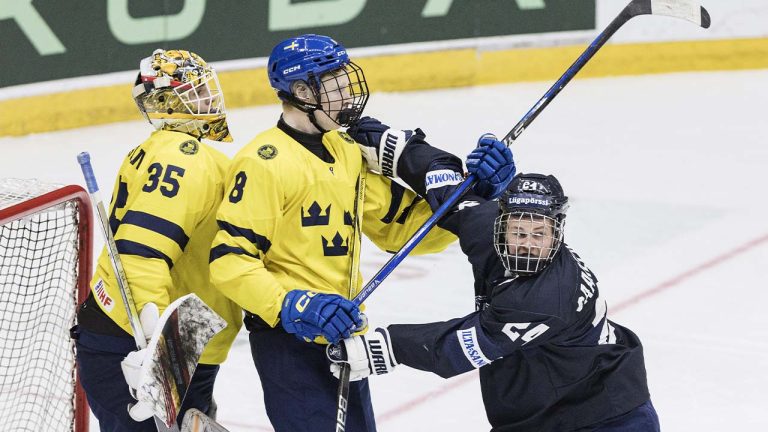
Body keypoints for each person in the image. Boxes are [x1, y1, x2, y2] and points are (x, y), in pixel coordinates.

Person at [208, 34, 475, 432]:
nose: (346, 92)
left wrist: (467, 201)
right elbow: (230, 261)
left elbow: (398, 229)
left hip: (346, 336)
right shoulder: (264, 162)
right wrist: (294, 306)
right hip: (289, 339)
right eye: (333, 83)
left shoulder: (345, 151)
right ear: (301, 91)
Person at [329, 128, 659, 431]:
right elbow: (448, 191)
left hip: (606, 417)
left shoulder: (548, 298)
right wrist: (397, 148)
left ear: (557, 234)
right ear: (500, 224)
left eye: (539, 234)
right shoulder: (488, 229)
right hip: (542, 410)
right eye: (519, 232)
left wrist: (383, 347)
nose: (528, 244)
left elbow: (452, 348)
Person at [74, 49, 243, 431]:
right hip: (137, 342)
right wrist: (154, 349)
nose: (210, 99)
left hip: (178, 341)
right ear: (166, 102)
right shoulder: (183, 156)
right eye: (196, 92)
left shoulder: (175, 153)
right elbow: (141, 252)